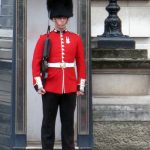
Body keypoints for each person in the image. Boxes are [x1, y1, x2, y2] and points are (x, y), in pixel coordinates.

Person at [32, 0, 86, 149]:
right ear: (54, 18)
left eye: (64, 17)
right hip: (49, 87)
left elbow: (81, 63)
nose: (62, 20)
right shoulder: (44, 38)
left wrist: (80, 85)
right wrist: (38, 84)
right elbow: (35, 62)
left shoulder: (75, 38)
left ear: (68, 18)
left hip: (69, 88)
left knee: (68, 125)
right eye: (59, 17)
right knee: (48, 124)